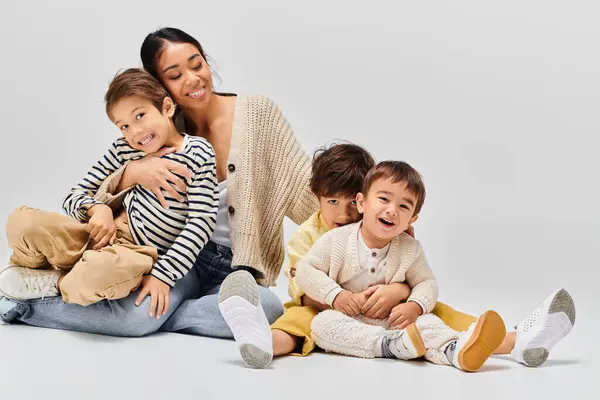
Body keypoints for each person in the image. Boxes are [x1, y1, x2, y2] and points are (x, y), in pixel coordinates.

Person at [0, 27, 311, 336]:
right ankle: (22, 307)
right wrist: (131, 174)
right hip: (167, 253)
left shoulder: (256, 114)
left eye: (197, 64)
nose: (192, 79)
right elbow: (95, 186)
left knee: (267, 308)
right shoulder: (146, 131)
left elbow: (303, 187)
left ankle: (159, 315)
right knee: (133, 320)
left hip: (230, 266)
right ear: (160, 88)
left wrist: (354, 219)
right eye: (174, 75)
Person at [222, 160, 576, 369]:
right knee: (315, 325)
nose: (392, 209)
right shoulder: (327, 239)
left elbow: (428, 283)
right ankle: (259, 339)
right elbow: (307, 277)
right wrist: (335, 296)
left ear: (412, 218)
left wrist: (411, 300)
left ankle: (486, 347)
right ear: (365, 203)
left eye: (403, 206)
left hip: (395, 318)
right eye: (384, 199)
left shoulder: (408, 248)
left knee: (435, 317)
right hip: (328, 310)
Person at [0, 69, 218, 317]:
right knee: (22, 222)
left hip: (135, 253)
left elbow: (201, 221)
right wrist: (98, 208)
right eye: (124, 125)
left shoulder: (197, 152)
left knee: (98, 274)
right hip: (93, 235)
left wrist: (164, 275)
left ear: (167, 107)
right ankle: (23, 274)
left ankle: (53, 283)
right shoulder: (123, 150)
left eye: (140, 116)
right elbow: (74, 196)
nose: (135, 132)